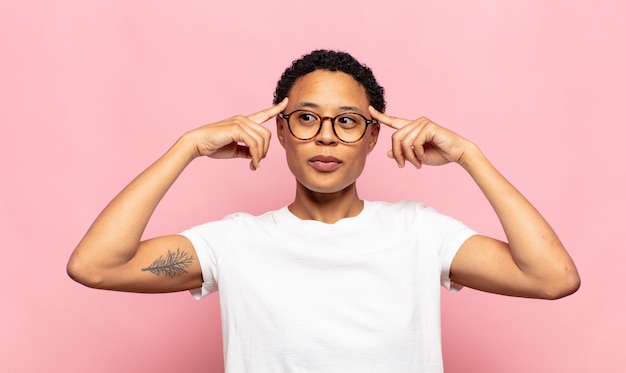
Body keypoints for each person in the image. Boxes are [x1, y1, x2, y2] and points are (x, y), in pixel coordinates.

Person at [67, 50, 580, 372]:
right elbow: (96, 265)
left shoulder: (420, 232)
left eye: (349, 121)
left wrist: (470, 155)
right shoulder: (234, 242)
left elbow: (553, 277)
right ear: (281, 131)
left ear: (375, 135)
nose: (327, 136)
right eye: (307, 118)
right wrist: (187, 147)